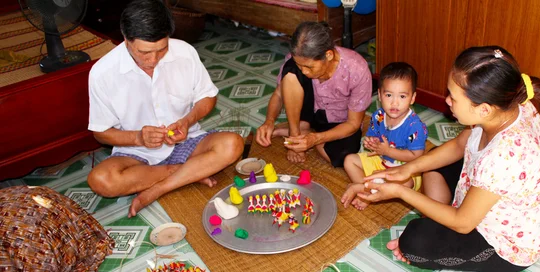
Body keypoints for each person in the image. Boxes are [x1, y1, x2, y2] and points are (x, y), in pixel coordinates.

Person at [358, 46, 540, 272]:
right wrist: (408, 168)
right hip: (485, 191)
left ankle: (440, 223)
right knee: (431, 166)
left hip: (506, 244)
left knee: (414, 242)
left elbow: (464, 223)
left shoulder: (504, 156)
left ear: (483, 109)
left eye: (453, 97)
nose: (447, 101)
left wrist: (401, 191)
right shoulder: (508, 104)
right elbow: (460, 144)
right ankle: (442, 217)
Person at [87, 0, 243, 217]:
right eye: (144, 52)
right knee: (101, 180)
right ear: (126, 40)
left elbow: (207, 97)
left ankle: (157, 188)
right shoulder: (102, 73)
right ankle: (189, 173)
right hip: (136, 155)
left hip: (187, 142)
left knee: (233, 144)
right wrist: (139, 138)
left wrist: (187, 121)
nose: (153, 60)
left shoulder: (185, 52)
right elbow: (101, 133)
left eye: (161, 50)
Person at [255, 21, 372, 167]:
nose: (304, 71)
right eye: (300, 65)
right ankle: (295, 135)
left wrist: (315, 139)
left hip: (338, 120)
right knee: (291, 72)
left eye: (309, 67)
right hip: (309, 113)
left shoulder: (356, 69)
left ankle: (307, 134)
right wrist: (269, 121)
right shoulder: (296, 62)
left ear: (328, 55)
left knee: (344, 157)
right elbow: (279, 95)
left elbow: (353, 123)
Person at [341, 62, 427, 210]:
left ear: (412, 98)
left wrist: (388, 151)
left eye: (402, 96)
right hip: (381, 161)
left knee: (405, 185)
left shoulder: (415, 126)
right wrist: (371, 142)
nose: (394, 102)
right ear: (379, 95)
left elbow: (416, 156)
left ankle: (363, 190)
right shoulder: (378, 116)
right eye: (388, 95)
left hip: (404, 169)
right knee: (349, 160)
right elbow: (373, 136)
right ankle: (369, 189)